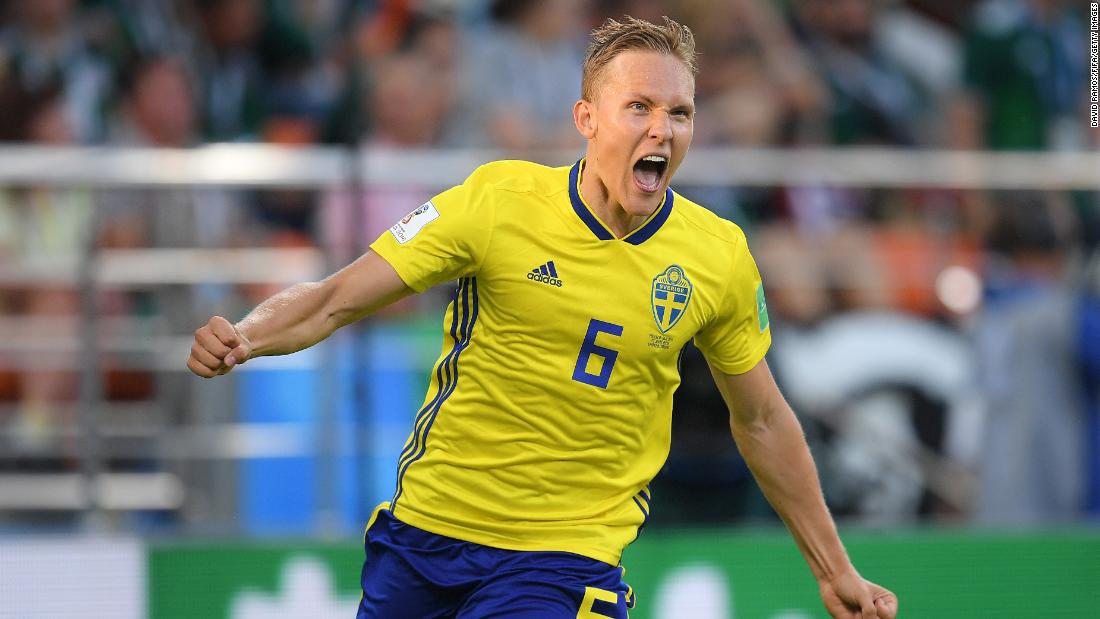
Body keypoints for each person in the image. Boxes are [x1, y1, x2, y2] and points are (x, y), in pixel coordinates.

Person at [187, 16, 898, 619]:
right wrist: (247, 334)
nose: (663, 130)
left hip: (566, 557)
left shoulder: (716, 256)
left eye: (680, 113)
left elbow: (764, 419)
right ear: (587, 119)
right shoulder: (498, 202)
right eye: (640, 108)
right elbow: (335, 297)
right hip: (427, 535)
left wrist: (833, 567)